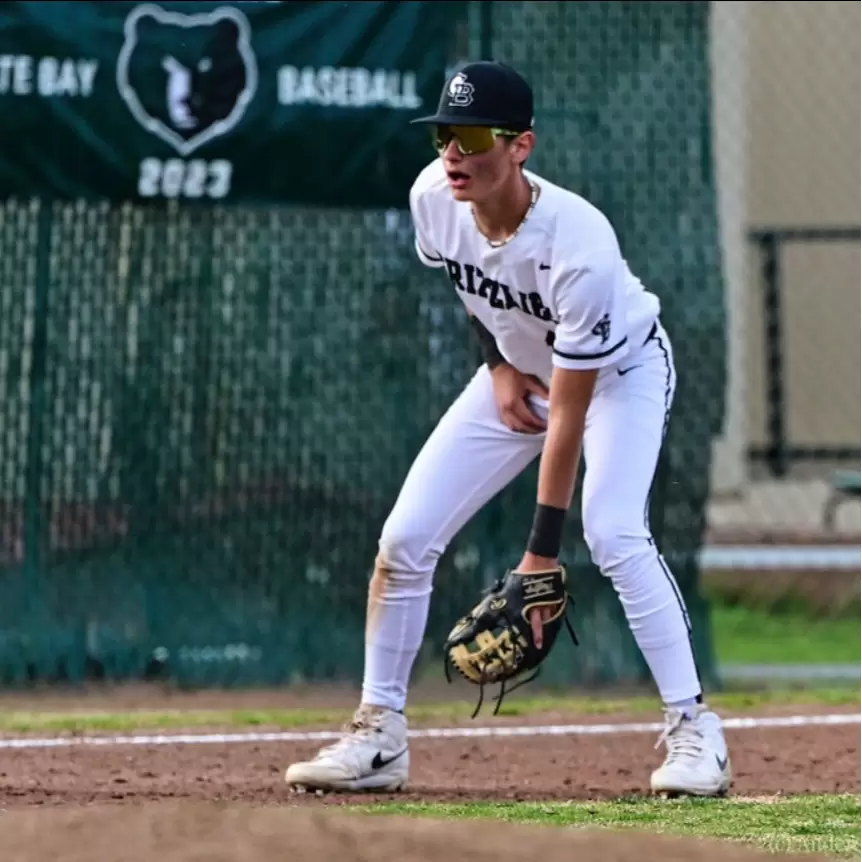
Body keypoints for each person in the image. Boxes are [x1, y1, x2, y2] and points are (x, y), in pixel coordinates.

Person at [285, 61, 732, 798]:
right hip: (522, 371)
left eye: (470, 137)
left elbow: (570, 415)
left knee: (614, 531)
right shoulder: (433, 198)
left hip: (618, 378)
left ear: (521, 145)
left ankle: (695, 730)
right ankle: (379, 734)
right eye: (442, 136)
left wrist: (539, 556)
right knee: (403, 539)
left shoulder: (579, 244)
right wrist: (496, 366)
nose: (451, 153)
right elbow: (473, 290)